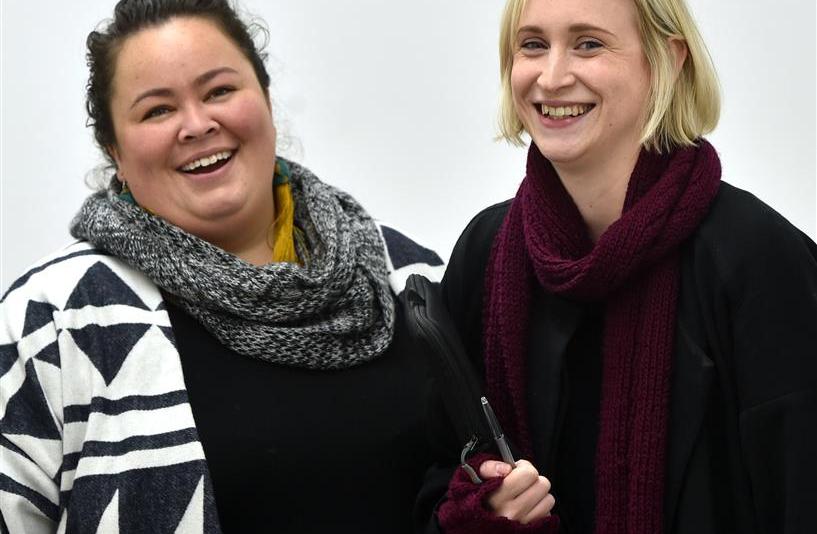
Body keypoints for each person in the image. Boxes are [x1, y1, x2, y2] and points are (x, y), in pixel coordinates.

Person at [0, 1, 446, 532]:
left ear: (265, 98)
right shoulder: (55, 322)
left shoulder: (409, 276)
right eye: (157, 110)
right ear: (114, 150)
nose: (197, 124)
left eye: (219, 91)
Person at [422, 0, 817, 533]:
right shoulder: (485, 253)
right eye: (533, 45)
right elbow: (428, 473)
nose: (552, 76)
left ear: (668, 61)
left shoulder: (757, 258)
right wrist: (477, 511)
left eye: (589, 43)